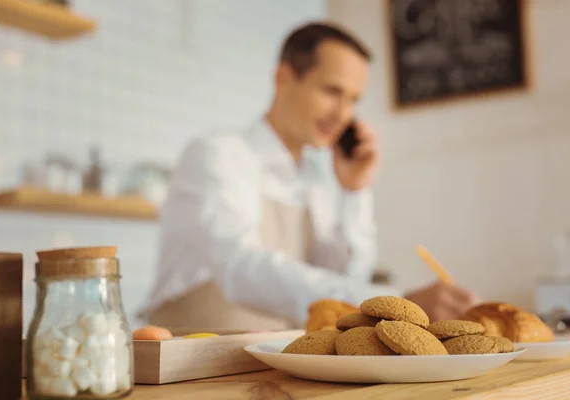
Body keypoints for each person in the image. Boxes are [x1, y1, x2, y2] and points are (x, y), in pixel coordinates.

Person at [142, 22, 477, 330]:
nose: (343, 115)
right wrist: (392, 304)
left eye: (353, 100)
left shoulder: (316, 178)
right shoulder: (219, 154)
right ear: (283, 79)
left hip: (270, 369)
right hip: (188, 368)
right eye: (332, 91)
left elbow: (342, 285)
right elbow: (241, 268)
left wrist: (355, 191)